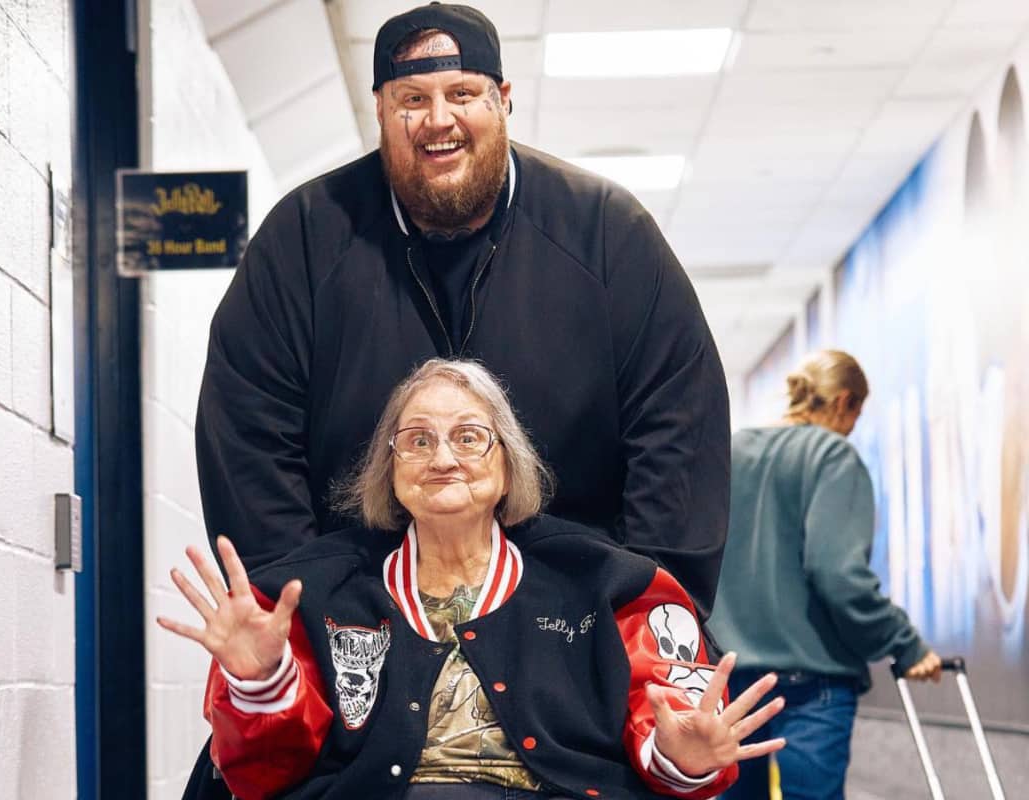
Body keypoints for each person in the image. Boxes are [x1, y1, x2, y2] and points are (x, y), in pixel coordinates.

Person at [194, 2, 730, 622]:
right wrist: (306, 617)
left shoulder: (608, 235)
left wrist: (647, 615)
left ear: (502, 98)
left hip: (574, 625)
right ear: (380, 110)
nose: (438, 120)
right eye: (411, 99)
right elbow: (250, 440)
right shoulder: (303, 242)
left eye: (462, 93)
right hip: (365, 626)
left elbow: (678, 429)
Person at [164, 359, 784, 800]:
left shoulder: (608, 584)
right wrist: (261, 681)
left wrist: (681, 758)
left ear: (510, 467)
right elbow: (262, 777)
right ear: (391, 471)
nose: (442, 458)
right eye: (417, 440)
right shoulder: (308, 593)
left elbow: (669, 729)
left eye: (468, 437)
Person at [707, 349, 942, 800]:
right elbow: (838, 575)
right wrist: (906, 644)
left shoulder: (732, 451)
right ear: (842, 403)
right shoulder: (832, 456)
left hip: (731, 680)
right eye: (856, 412)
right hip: (810, 683)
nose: (854, 426)